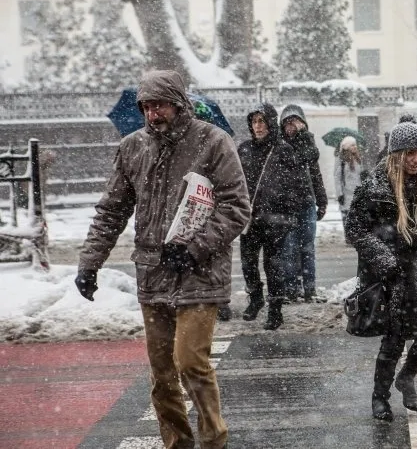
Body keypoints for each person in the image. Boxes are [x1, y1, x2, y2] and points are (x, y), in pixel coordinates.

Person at [74, 70, 250, 449]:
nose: (153, 114)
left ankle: (213, 440)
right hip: (152, 276)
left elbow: (237, 208)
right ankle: (177, 443)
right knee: (162, 374)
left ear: (179, 103)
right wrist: (90, 262)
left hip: (201, 275)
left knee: (191, 363)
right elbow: (111, 211)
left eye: (160, 105)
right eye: (147, 107)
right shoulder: (133, 148)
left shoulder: (213, 142)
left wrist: (194, 247)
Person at [345, 122, 417, 422]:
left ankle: (406, 377)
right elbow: (355, 229)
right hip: (392, 276)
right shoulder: (375, 186)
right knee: (393, 342)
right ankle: (379, 398)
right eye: (409, 153)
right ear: (396, 154)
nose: (416, 159)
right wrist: (384, 256)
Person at [234, 102, 307, 329]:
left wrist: (289, 211)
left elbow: (297, 183)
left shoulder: (283, 150)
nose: (258, 126)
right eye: (254, 121)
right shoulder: (244, 149)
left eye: (262, 121)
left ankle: (275, 309)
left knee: (273, 265)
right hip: (249, 218)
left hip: (275, 219)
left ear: (270, 123)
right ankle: (255, 298)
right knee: (248, 263)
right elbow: (235, 180)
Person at [279, 104, 327, 302]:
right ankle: (291, 288)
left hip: (307, 203)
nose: (291, 126)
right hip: (287, 206)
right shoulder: (280, 146)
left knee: (307, 248)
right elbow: (293, 159)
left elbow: (315, 174)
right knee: (289, 249)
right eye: (287, 122)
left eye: (295, 121)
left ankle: (309, 288)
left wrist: (322, 201)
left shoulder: (307, 143)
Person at [335, 135, 363, 231]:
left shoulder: (358, 159)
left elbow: (359, 176)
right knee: (347, 216)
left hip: (357, 193)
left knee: (357, 217)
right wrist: (339, 194)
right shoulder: (341, 161)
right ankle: (349, 236)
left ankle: (355, 236)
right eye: (352, 145)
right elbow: (337, 178)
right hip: (346, 194)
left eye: (355, 145)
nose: (355, 147)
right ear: (346, 147)